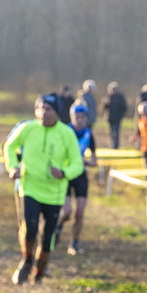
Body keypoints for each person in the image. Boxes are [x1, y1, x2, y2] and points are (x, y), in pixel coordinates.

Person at [3, 95, 84, 284]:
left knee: (48, 237)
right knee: (29, 229)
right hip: (29, 187)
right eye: (40, 108)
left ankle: (40, 269)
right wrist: (13, 167)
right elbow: (9, 146)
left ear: (57, 112)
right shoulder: (27, 128)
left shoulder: (66, 134)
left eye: (48, 109)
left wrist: (64, 173)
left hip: (54, 194)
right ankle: (26, 260)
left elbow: (77, 164)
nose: (43, 113)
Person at [60, 104, 99, 255]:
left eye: (83, 117)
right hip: (66, 174)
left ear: (86, 118)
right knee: (67, 212)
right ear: (71, 117)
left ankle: (74, 243)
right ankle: (57, 227)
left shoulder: (88, 135)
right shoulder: (64, 132)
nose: (80, 120)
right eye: (77, 117)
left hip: (80, 175)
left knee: (80, 213)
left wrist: (85, 162)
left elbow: (95, 161)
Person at [102, 82, 128, 149]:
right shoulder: (108, 97)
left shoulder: (120, 97)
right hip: (110, 118)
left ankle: (116, 146)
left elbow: (124, 107)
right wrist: (105, 104)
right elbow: (105, 109)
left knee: (116, 132)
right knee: (111, 132)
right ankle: (113, 145)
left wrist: (121, 115)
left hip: (117, 118)